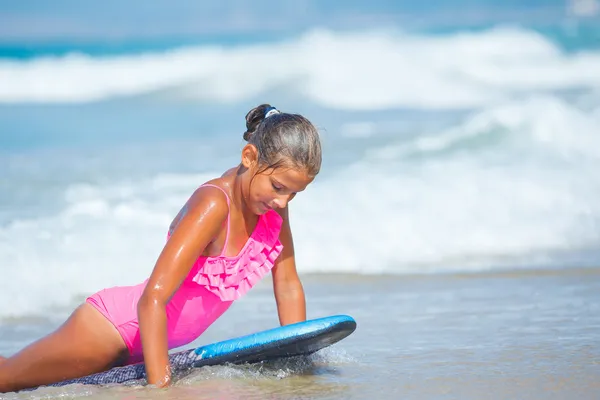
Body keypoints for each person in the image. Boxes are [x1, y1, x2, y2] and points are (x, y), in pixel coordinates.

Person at [0, 104, 322, 392]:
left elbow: (288, 282)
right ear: (249, 157)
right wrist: (161, 389)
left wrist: (298, 354)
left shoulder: (270, 205)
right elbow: (152, 298)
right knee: (6, 379)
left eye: (294, 194)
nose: (283, 201)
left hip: (148, 347)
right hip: (111, 331)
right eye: (279, 188)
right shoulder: (214, 204)